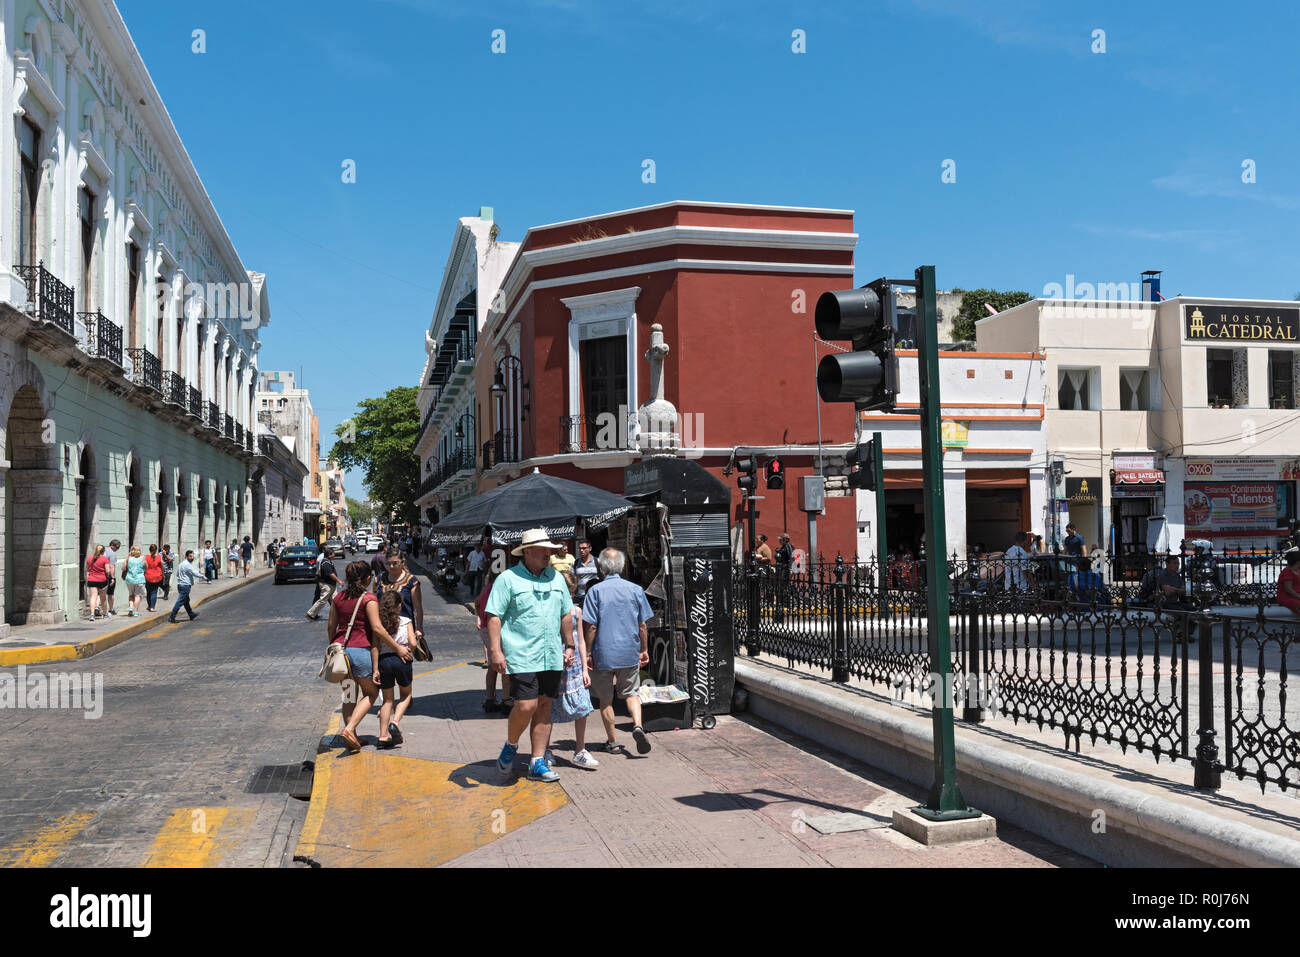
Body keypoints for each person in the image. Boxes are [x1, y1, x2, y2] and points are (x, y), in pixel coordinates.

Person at [484, 528, 575, 784]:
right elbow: (494, 616)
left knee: (545, 705)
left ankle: (537, 761)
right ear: (528, 551)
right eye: (544, 550)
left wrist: (569, 645)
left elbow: (565, 613)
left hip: (551, 654)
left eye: (550, 550)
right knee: (526, 705)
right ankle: (511, 745)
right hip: (522, 653)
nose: (549, 554)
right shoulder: (508, 579)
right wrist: (495, 650)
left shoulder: (556, 579)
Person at [330, 561, 411, 752]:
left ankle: (353, 739)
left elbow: (330, 626)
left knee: (349, 696)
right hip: (360, 652)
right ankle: (349, 730)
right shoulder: (369, 599)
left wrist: (336, 647)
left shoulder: (338, 597)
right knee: (371, 693)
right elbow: (377, 628)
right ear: (367, 578)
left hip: (341, 653)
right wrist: (398, 648)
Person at [584, 548, 655, 756]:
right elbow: (642, 624)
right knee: (632, 693)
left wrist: (588, 653)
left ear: (601, 567)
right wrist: (644, 649)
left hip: (603, 653)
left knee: (606, 700)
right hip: (628, 651)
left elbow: (592, 627)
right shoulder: (635, 589)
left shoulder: (595, 591)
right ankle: (638, 725)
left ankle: (613, 741)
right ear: (623, 566)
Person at [549, 570, 598, 770]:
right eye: (565, 591)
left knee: (582, 707)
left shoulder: (576, 611)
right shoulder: (551, 610)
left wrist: (585, 667)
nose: (568, 596)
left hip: (576, 664)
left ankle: (579, 750)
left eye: (571, 591)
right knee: (548, 707)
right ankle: (544, 749)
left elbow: (582, 641)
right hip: (556, 662)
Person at [375, 591, 415, 749]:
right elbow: (412, 643)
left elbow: (376, 646)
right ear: (399, 606)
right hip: (402, 660)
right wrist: (407, 648)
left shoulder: (379, 624)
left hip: (384, 662)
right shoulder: (406, 621)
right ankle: (395, 722)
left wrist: (375, 667)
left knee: (387, 700)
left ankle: (383, 736)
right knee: (405, 695)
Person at [380, 550, 424, 649]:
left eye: (395, 563)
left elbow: (417, 608)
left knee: (402, 660)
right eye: (388, 564)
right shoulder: (379, 579)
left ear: (402, 562)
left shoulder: (411, 582)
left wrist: (419, 628)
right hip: (382, 629)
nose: (391, 567)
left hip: (403, 631)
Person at [306, 546, 342, 620]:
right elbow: (330, 573)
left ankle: (338, 614)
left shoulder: (327, 561)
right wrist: (339, 580)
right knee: (323, 600)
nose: (334, 555)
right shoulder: (325, 562)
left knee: (335, 600)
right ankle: (311, 613)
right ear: (329, 555)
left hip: (331, 584)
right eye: (333, 554)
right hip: (327, 585)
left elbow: (319, 571)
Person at [169, 550, 202, 623]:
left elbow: (177, 574)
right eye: (190, 556)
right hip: (185, 586)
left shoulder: (181, 564)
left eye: (192, 556)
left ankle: (191, 614)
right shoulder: (187, 565)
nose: (192, 558)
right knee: (180, 601)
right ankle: (172, 617)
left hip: (180, 585)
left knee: (186, 601)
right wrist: (203, 577)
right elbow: (194, 573)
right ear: (186, 557)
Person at [85, 545, 110, 620]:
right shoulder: (104, 559)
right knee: (103, 598)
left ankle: (92, 615)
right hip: (102, 580)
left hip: (92, 579)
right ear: (103, 551)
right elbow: (108, 570)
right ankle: (105, 614)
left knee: (93, 596)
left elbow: (87, 569)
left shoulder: (89, 558)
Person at [122, 545, 146, 617]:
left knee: (131, 595)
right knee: (137, 595)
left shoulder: (128, 558)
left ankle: (131, 608)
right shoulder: (142, 558)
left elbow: (123, 568)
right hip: (139, 579)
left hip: (129, 579)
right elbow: (146, 567)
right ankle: (135, 611)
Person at [1277, 549, 1300, 615]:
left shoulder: (1298, 570)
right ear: (1298, 562)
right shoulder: (1287, 572)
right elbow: (1288, 589)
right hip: (1287, 597)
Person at [465, 537, 488, 601]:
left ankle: (478, 594)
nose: (478, 548)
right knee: (472, 582)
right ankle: (472, 591)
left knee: (479, 582)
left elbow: (484, 561)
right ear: (475, 547)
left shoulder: (482, 553)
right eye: (477, 547)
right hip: (472, 569)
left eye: (479, 547)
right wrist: (467, 570)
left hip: (479, 569)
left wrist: (484, 567)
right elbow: (468, 561)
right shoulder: (472, 553)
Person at [143, 544, 164, 613]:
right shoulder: (159, 557)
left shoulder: (146, 557)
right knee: (154, 592)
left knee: (148, 592)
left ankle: (149, 606)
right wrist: (163, 574)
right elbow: (162, 566)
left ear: (149, 550)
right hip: (157, 577)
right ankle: (152, 607)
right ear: (156, 550)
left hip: (148, 576)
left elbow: (143, 566)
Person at [104, 539, 120, 616]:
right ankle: (110, 609)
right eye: (117, 547)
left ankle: (97, 608)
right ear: (112, 545)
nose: (117, 549)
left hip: (99, 575)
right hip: (108, 576)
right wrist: (112, 578)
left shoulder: (102, 551)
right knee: (110, 593)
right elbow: (112, 566)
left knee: (98, 593)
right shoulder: (112, 554)